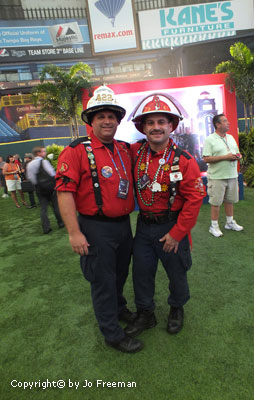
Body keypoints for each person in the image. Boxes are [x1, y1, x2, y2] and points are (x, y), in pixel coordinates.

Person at [55, 85, 143, 354]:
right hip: (94, 228)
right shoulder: (76, 151)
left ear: (118, 121)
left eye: (112, 116)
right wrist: (74, 232)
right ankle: (112, 334)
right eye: (100, 116)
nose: (107, 121)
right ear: (90, 121)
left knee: (119, 274)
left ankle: (118, 309)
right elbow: (64, 192)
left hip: (123, 226)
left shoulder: (124, 149)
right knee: (102, 281)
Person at [125, 93, 206, 338]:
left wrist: (177, 234)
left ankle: (176, 308)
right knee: (141, 272)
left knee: (177, 272)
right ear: (143, 127)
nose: (156, 127)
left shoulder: (185, 160)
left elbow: (194, 200)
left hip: (172, 226)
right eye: (150, 123)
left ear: (171, 126)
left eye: (162, 122)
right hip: (144, 227)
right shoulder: (134, 152)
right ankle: (146, 313)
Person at [202, 113, 243, 237]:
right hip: (217, 177)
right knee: (216, 202)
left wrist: (238, 156)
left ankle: (229, 222)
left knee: (229, 200)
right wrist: (226, 157)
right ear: (217, 124)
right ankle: (213, 226)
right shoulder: (210, 139)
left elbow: (237, 152)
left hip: (232, 175)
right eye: (225, 121)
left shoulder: (230, 137)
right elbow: (206, 158)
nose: (228, 123)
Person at [26, 146, 64, 234]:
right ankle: (61, 222)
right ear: (38, 153)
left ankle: (46, 228)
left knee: (43, 208)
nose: (45, 153)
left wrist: (38, 184)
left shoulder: (30, 164)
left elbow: (30, 177)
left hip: (39, 188)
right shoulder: (44, 162)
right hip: (50, 187)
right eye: (43, 151)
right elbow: (52, 173)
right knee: (55, 206)